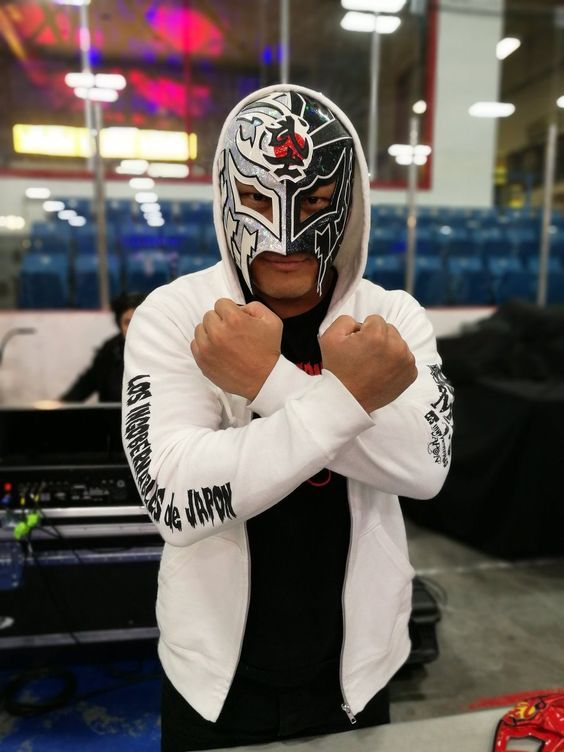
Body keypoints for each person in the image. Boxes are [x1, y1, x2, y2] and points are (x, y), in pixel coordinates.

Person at [122, 84, 454, 751]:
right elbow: (177, 500)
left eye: (315, 201)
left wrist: (266, 381)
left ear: (349, 203)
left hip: (357, 670)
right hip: (214, 678)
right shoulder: (176, 315)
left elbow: (423, 469)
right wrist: (346, 399)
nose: (285, 233)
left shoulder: (392, 317)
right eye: (255, 197)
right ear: (226, 193)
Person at [61, 291, 146, 403]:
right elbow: (88, 382)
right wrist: (61, 404)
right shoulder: (111, 349)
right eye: (127, 322)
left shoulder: (162, 348)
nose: (133, 328)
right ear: (119, 325)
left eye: (138, 321)